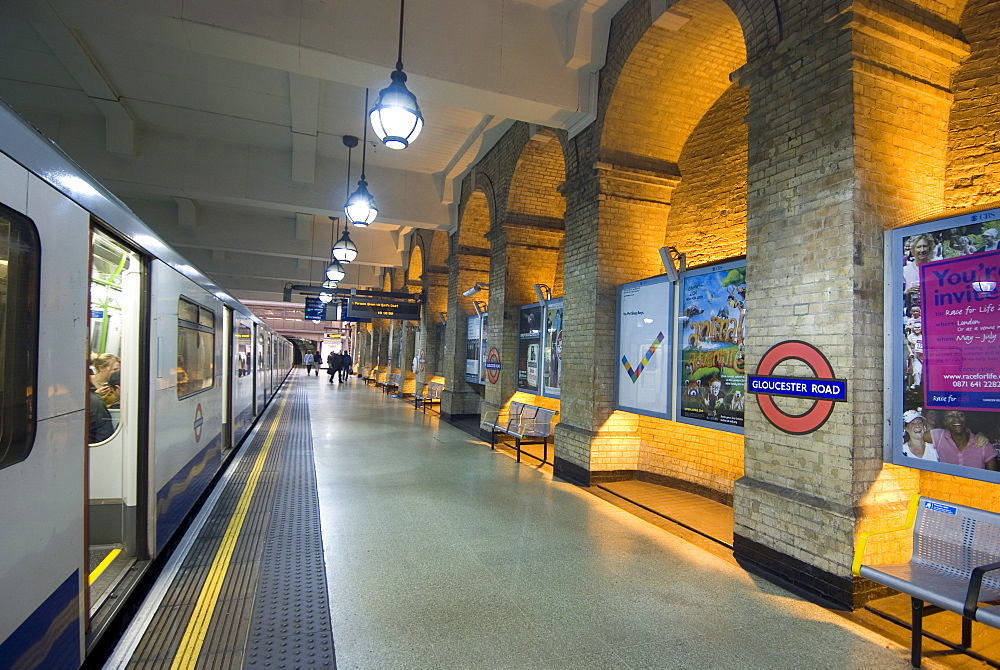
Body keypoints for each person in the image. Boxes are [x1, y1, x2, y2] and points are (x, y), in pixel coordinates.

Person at [931, 410, 998, 470]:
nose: (956, 419)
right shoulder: (939, 437)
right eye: (950, 416)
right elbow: (921, 435)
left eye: (961, 415)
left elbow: (993, 480)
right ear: (944, 422)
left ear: (966, 418)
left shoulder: (984, 446)